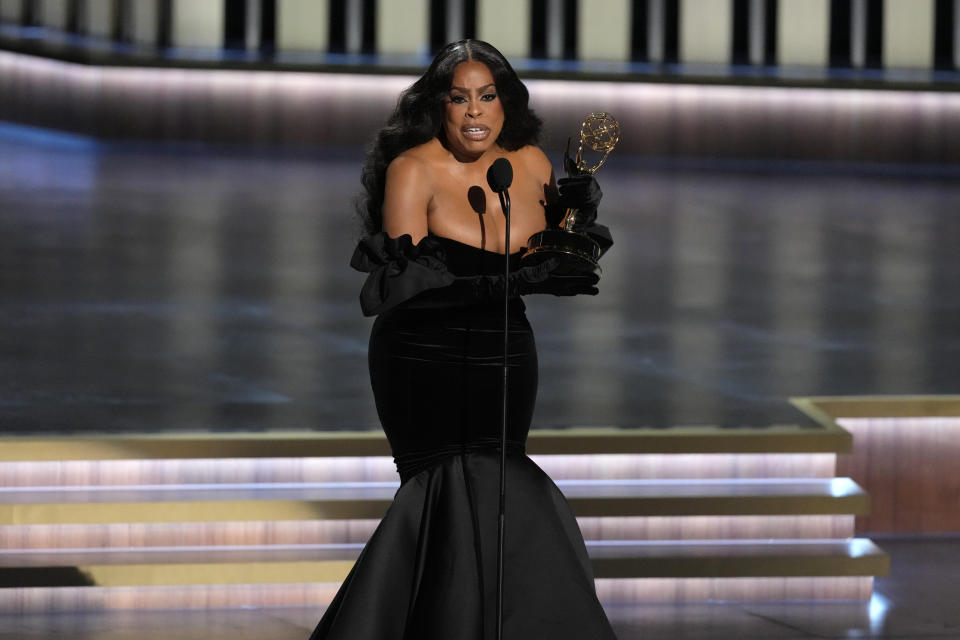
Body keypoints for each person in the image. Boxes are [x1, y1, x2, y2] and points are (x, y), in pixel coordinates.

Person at [309, 39, 616, 640]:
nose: (474, 113)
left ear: (506, 105)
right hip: (423, 356)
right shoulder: (413, 169)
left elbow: (558, 261)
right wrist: (512, 279)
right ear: (438, 107)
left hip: (504, 351)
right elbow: (408, 288)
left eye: (487, 97)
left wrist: (574, 225)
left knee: (504, 491)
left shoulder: (528, 165)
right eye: (458, 99)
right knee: (441, 502)